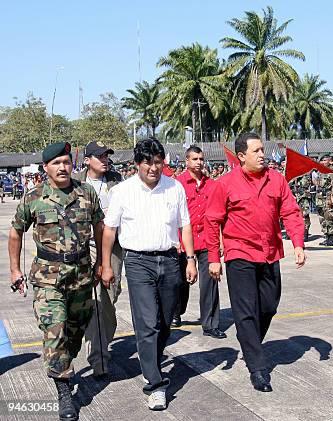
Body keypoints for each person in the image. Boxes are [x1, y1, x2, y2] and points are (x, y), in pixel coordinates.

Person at [8, 142, 104, 420]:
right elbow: (16, 233)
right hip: (47, 276)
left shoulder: (86, 193)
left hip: (82, 274)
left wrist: (103, 263)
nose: (62, 167)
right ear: (45, 168)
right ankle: (64, 391)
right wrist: (15, 270)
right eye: (56, 163)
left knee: (75, 331)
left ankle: (64, 361)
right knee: (56, 328)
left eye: (66, 162)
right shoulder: (33, 197)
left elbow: (100, 227)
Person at [204, 132, 306, 393]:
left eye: (263, 150)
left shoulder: (276, 180)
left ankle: (249, 342)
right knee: (246, 311)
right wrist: (214, 258)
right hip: (240, 254)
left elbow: (291, 212)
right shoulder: (225, 184)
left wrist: (297, 243)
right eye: (257, 151)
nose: (263, 155)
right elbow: (212, 221)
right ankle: (257, 367)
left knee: (269, 306)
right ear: (241, 156)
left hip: (270, 252)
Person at [100, 138, 198, 410]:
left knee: (166, 321)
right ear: (137, 164)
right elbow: (109, 230)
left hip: (169, 259)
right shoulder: (122, 191)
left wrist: (190, 259)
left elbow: (185, 225)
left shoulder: (174, 187)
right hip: (137, 262)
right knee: (147, 323)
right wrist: (106, 265)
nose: (154, 168)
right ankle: (154, 383)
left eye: (158, 162)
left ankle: (151, 360)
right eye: (148, 162)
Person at [72, 141, 124, 378]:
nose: (104, 160)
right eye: (99, 156)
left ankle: (101, 343)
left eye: (106, 156)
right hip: (86, 247)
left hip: (113, 247)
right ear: (86, 160)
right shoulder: (76, 183)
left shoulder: (117, 180)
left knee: (109, 298)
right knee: (92, 301)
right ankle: (98, 357)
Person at [174, 146, 226, 339]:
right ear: (186, 161)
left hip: (206, 240)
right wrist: (176, 240)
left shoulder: (212, 186)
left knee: (210, 281)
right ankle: (176, 312)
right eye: (194, 159)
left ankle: (211, 323)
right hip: (183, 241)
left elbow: (219, 215)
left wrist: (220, 240)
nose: (198, 162)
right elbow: (172, 216)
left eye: (201, 158)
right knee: (179, 282)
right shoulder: (177, 185)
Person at [315, 155, 333, 246]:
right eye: (322, 161)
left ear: (330, 161)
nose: (323, 162)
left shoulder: (332, 171)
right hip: (320, 197)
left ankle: (332, 238)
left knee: (329, 217)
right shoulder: (320, 171)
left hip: (327, 196)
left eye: (325, 160)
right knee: (322, 218)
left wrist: (331, 198)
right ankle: (326, 236)